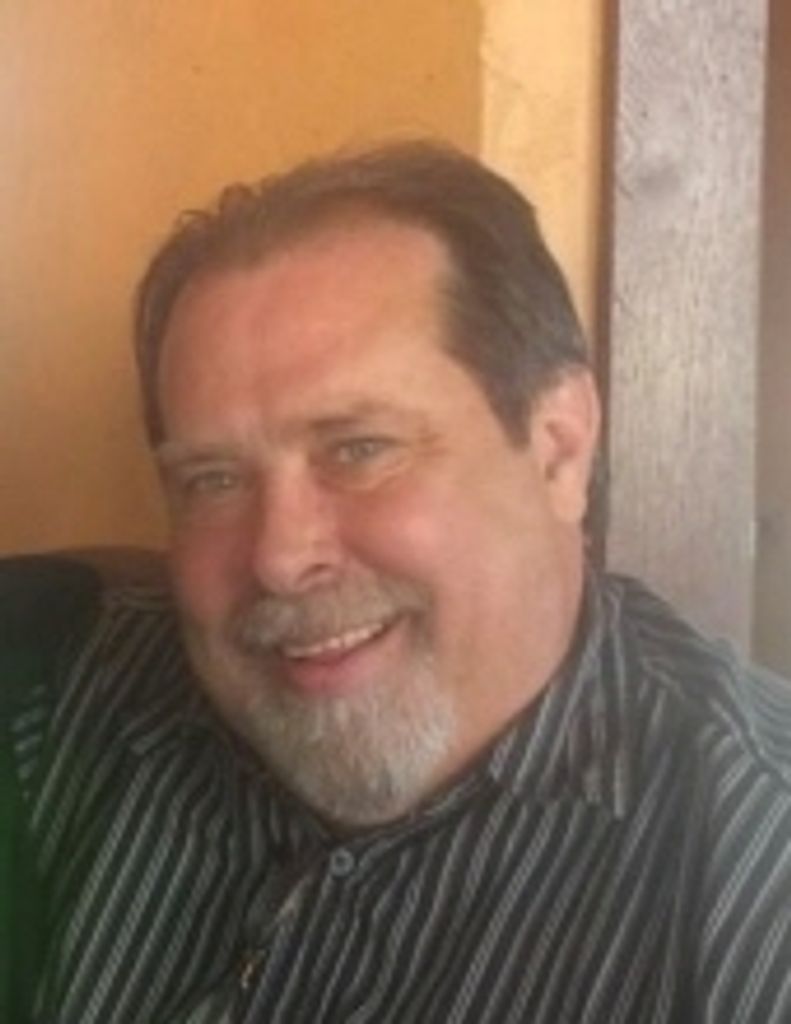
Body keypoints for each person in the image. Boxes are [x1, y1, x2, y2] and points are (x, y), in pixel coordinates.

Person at [9, 141, 791, 1022]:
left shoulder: (757, 892)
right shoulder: (69, 708)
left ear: (558, 450)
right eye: (213, 480)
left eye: (359, 449)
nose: (278, 557)